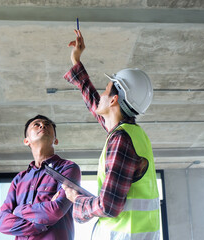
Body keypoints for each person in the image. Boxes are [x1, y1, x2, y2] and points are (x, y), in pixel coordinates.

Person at [62, 30, 160, 240]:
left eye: (106, 92)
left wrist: (76, 201)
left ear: (114, 101)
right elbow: (97, 108)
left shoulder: (121, 140)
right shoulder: (131, 134)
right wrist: (76, 61)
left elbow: (109, 206)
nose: (102, 96)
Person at [0, 115, 81, 240]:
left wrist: (19, 210)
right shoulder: (19, 179)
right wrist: (43, 223)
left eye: (47, 124)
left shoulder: (68, 168)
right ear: (26, 141)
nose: (42, 125)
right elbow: (3, 223)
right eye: (36, 124)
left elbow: (56, 210)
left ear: (56, 140)